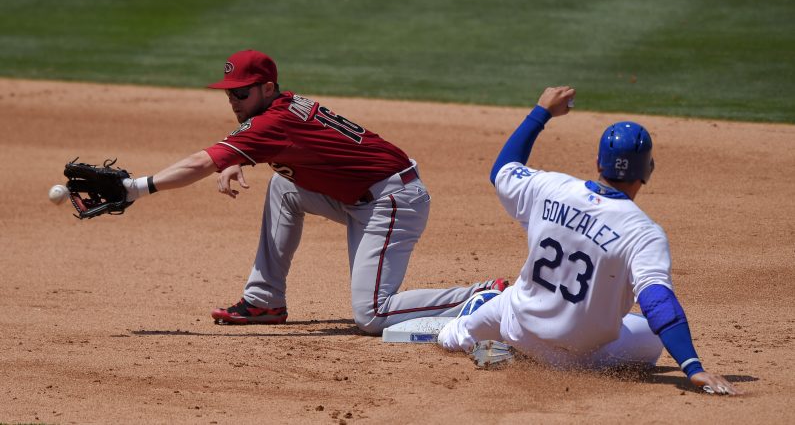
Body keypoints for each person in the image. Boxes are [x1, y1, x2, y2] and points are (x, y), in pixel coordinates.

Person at [122, 49, 507, 333]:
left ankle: (485, 294)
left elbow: (200, 163)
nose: (233, 101)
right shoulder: (284, 106)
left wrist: (136, 188)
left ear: (268, 87)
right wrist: (239, 158)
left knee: (372, 315)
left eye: (241, 93)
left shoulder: (271, 123)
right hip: (365, 194)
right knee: (284, 186)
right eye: (229, 93)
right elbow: (289, 147)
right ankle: (263, 301)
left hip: (392, 202)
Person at [437, 86, 741, 395]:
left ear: (598, 163)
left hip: (516, 323)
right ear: (648, 171)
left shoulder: (550, 187)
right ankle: (520, 350)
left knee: (451, 336)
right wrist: (693, 368)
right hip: (575, 358)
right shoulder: (643, 233)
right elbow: (657, 302)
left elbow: (502, 170)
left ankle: (464, 326)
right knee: (652, 337)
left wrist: (542, 112)